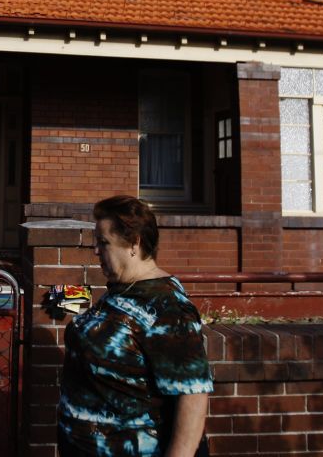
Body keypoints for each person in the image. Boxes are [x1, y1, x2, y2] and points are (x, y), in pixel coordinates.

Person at [58, 195, 213, 457]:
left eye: (103, 242)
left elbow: (193, 397)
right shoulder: (122, 289)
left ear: (134, 243)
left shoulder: (168, 307)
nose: (96, 250)